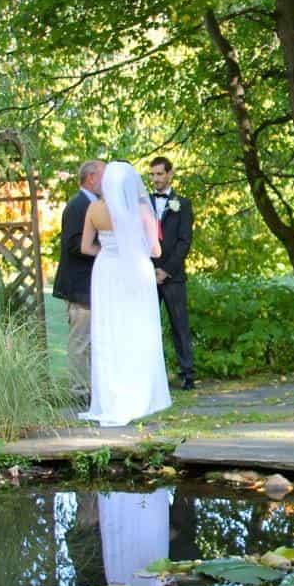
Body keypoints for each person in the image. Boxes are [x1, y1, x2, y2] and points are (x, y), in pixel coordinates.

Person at [78, 161, 173, 426]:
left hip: (106, 271)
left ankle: (111, 398)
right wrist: (133, 251)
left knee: (110, 332)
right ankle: (139, 395)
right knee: (137, 330)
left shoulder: (94, 209)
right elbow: (156, 251)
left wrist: (110, 252)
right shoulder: (142, 208)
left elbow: (86, 246)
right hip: (135, 272)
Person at [51, 159, 105, 401]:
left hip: (92, 285)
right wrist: (106, 251)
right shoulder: (78, 206)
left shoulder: (94, 204)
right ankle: (78, 390)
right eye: (103, 175)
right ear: (91, 178)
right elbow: (74, 244)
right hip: (79, 286)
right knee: (80, 340)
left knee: (93, 340)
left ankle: (91, 386)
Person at [149, 157, 196, 390]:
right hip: (146, 274)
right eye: (152, 175)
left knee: (179, 325)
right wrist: (150, 269)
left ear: (169, 174)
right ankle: (152, 376)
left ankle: (187, 373)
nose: (156, 179)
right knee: (147, 325)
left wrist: (166, 270)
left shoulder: (182, 204)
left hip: (173, 275)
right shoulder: (143, 203)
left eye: (159, 174)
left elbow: (184, 241)